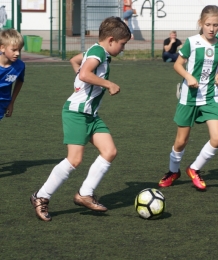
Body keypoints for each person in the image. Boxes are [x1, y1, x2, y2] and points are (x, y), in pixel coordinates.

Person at [30, 17, 131, 222]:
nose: (123, 49)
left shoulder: (94, 51)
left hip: (90, 115)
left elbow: (75, 62)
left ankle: (85, 193)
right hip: (76, 113)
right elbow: (85, 73)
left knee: (109, 151)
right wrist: (107, 84)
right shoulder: (98, 52)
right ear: (111, 40)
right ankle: (41, 196)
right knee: (74, 159)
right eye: (122, 44)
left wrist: (82, 82)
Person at [158, 5, 218, 191]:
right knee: (181, 141)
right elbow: (178, 65)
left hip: (211, 97)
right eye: (208, 24)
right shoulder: (192, 42)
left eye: (215, 25)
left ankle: (194, 168)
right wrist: (188, 77)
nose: (212, 28)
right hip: (189, 98)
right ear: (201, 23)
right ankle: (173, 171)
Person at [0, 29, 25, 121]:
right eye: (14, 50)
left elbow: (20, 81)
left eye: (19, 50)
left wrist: (11, 102)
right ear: (2, 48)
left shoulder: (20, 66)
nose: (17, 53)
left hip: (3, 103)